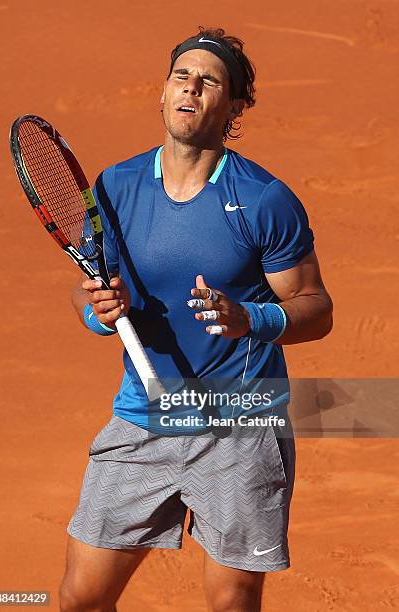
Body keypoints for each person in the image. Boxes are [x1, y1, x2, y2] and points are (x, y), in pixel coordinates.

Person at [59, 27, 333, 612]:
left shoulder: (264, 199)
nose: (191, 88)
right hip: (143, 420)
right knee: (80, 598)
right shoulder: (114, 187)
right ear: (163, 93)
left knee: (230, 604)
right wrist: (100, 314)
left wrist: (250, 318)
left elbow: (316, 309)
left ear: (234, 107)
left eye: (210, 80)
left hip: (239, 430)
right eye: (181, 76)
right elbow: (91, 297)